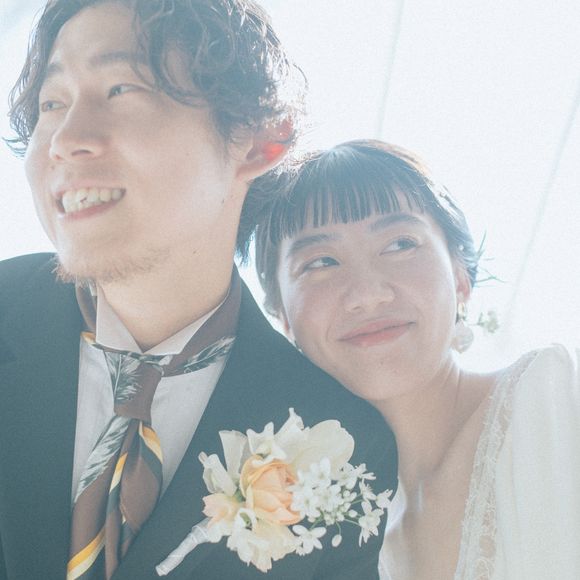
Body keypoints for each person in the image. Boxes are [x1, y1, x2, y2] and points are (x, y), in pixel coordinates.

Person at [0, 2, 397, 579]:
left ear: (258, 140)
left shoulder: (341, 446)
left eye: (120, 89)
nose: (65, 139)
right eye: (51, 104)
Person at [249, 139, 580, 580]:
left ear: (460, 277)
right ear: (283, 318)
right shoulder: (343, 542)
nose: (367, 294)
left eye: (400, 244)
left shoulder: (552, 403)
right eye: (322, 262)